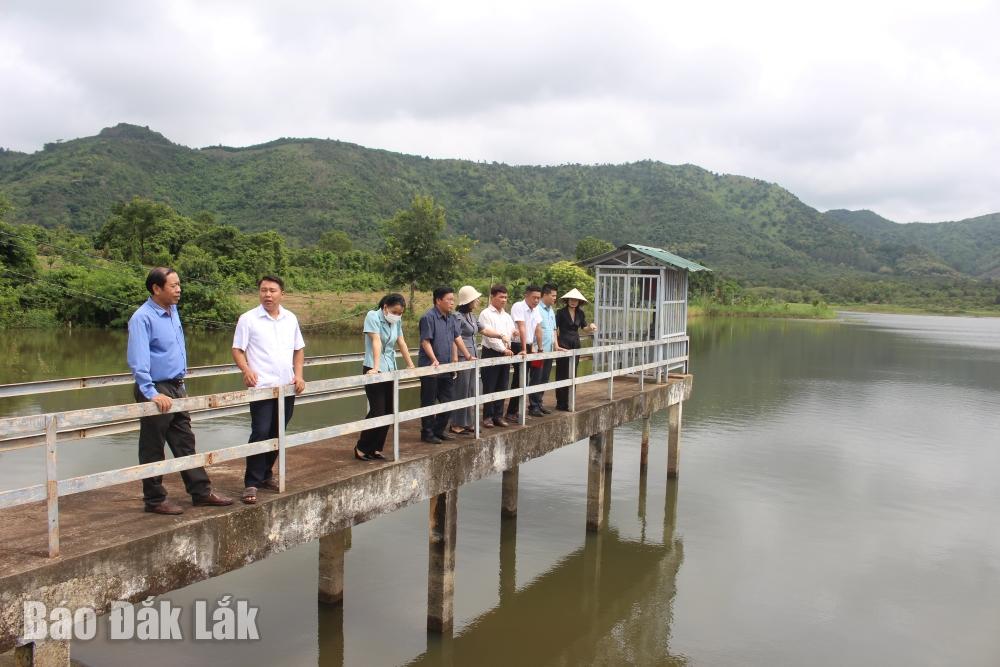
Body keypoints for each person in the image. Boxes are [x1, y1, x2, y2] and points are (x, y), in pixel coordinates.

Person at [127, 267, 233, 515]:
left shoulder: (172, 311)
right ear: (156, 288)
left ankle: (201, 492)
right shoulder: (142, 318)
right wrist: (151, 392)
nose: (179, 289)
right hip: (156, 388)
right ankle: (154, 500)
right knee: (153, 445)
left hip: (175, 386)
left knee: (185, 441)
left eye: (178, 285)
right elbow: (138, 361)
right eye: (173, 285)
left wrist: (180, 384)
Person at [231, 275, 306, 504]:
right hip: (262, 387)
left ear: (282, 294)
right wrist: (246, 370)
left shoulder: (290, 318)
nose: (267, 295)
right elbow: (237, 349)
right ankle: (251, 482)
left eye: (272, 290)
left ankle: (265, 475)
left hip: (286, 386)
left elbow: (298, 349)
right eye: (263, 290)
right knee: (260, 432)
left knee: (278, 432)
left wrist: (299, 375)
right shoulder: (248, 319)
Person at [355, 293, 415, 460]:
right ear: (385, 307)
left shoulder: (396, 321)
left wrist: (410, 365)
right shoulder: (372, 316)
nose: (397, 315)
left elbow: (401, 342)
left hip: (390, 368)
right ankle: (362, 447)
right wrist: (375, 368)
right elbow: (376, 341)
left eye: (400, 313)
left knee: (390, 411)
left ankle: (375, 448)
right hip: (373, 368)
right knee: (378, 411)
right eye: (394, 311)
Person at [450, 285, 509, 435]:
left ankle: (467, 422)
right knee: (461, 390)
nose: (478, 301)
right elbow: (454, 338)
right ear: (468, 300)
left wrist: (500, 335)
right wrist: (456, 358)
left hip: (473, 356)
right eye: (475, 299)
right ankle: (456, 423)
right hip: (464, 357)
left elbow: (484, 330)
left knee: (471, 390)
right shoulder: (457, 316)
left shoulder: (471, 316)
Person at [418, 286, 472, 444]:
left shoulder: (452, 317)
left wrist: (468, 355)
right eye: (449, 300)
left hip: (447, 367)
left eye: (453, 300)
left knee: (449, 400)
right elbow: (425, 341)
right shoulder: (428, 317)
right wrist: (434, 359)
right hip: (431, 367)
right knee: (429, 401)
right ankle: (427, 433)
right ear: (438, 300)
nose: (452, 303)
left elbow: (457, 338)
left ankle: (438, 430)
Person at [477, 284, 515, 428]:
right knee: (489, 385)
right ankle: (487, 417)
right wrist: (502, 349)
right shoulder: (485, 314)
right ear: (493, 297)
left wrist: (514, 334)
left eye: (505, 297)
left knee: (502, 385)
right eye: (501, 297)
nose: (504, 300)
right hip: (491, 353)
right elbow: (489, 336)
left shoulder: (506, 315)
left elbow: (510, 332)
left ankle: (498, 416)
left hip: (505, 353)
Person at [554, 288, 598, 412]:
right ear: (567, 300)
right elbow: (554, 329)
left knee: (573, 372)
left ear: (579, 302)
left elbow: (584, 328)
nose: (573, 302)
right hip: (563, 343)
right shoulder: (560, 312)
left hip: (575, 344)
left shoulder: (580, 313)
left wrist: (591, 326)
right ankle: (560, 402)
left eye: (576, 300)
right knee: (562, 372)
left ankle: (570, 401)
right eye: (571, 300)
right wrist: (556, 344)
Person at [505, 285, 543, 421]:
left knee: (524, 379)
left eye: (538, 298)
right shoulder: (518, 306)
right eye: (534, 297)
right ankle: (511, 412)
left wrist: (539, 349)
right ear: (526, 296)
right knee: (518, 379)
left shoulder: (536, 309)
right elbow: (521, 327)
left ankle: (516, 411)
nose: (537, 300)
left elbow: (537, 328)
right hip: (517, 345)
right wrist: (524, 348)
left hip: (527, 345)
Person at [529, 283, 562, 416]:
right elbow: (533, 329)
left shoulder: (551, 310)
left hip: (549, 351)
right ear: (546, 295)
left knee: (544, 378)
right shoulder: (537, 309)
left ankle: (539, 403)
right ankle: (533, 406)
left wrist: (557, 345)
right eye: (553, 295)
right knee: (536, 377)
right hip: (538, 351)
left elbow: (554, 330)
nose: (555, 298)